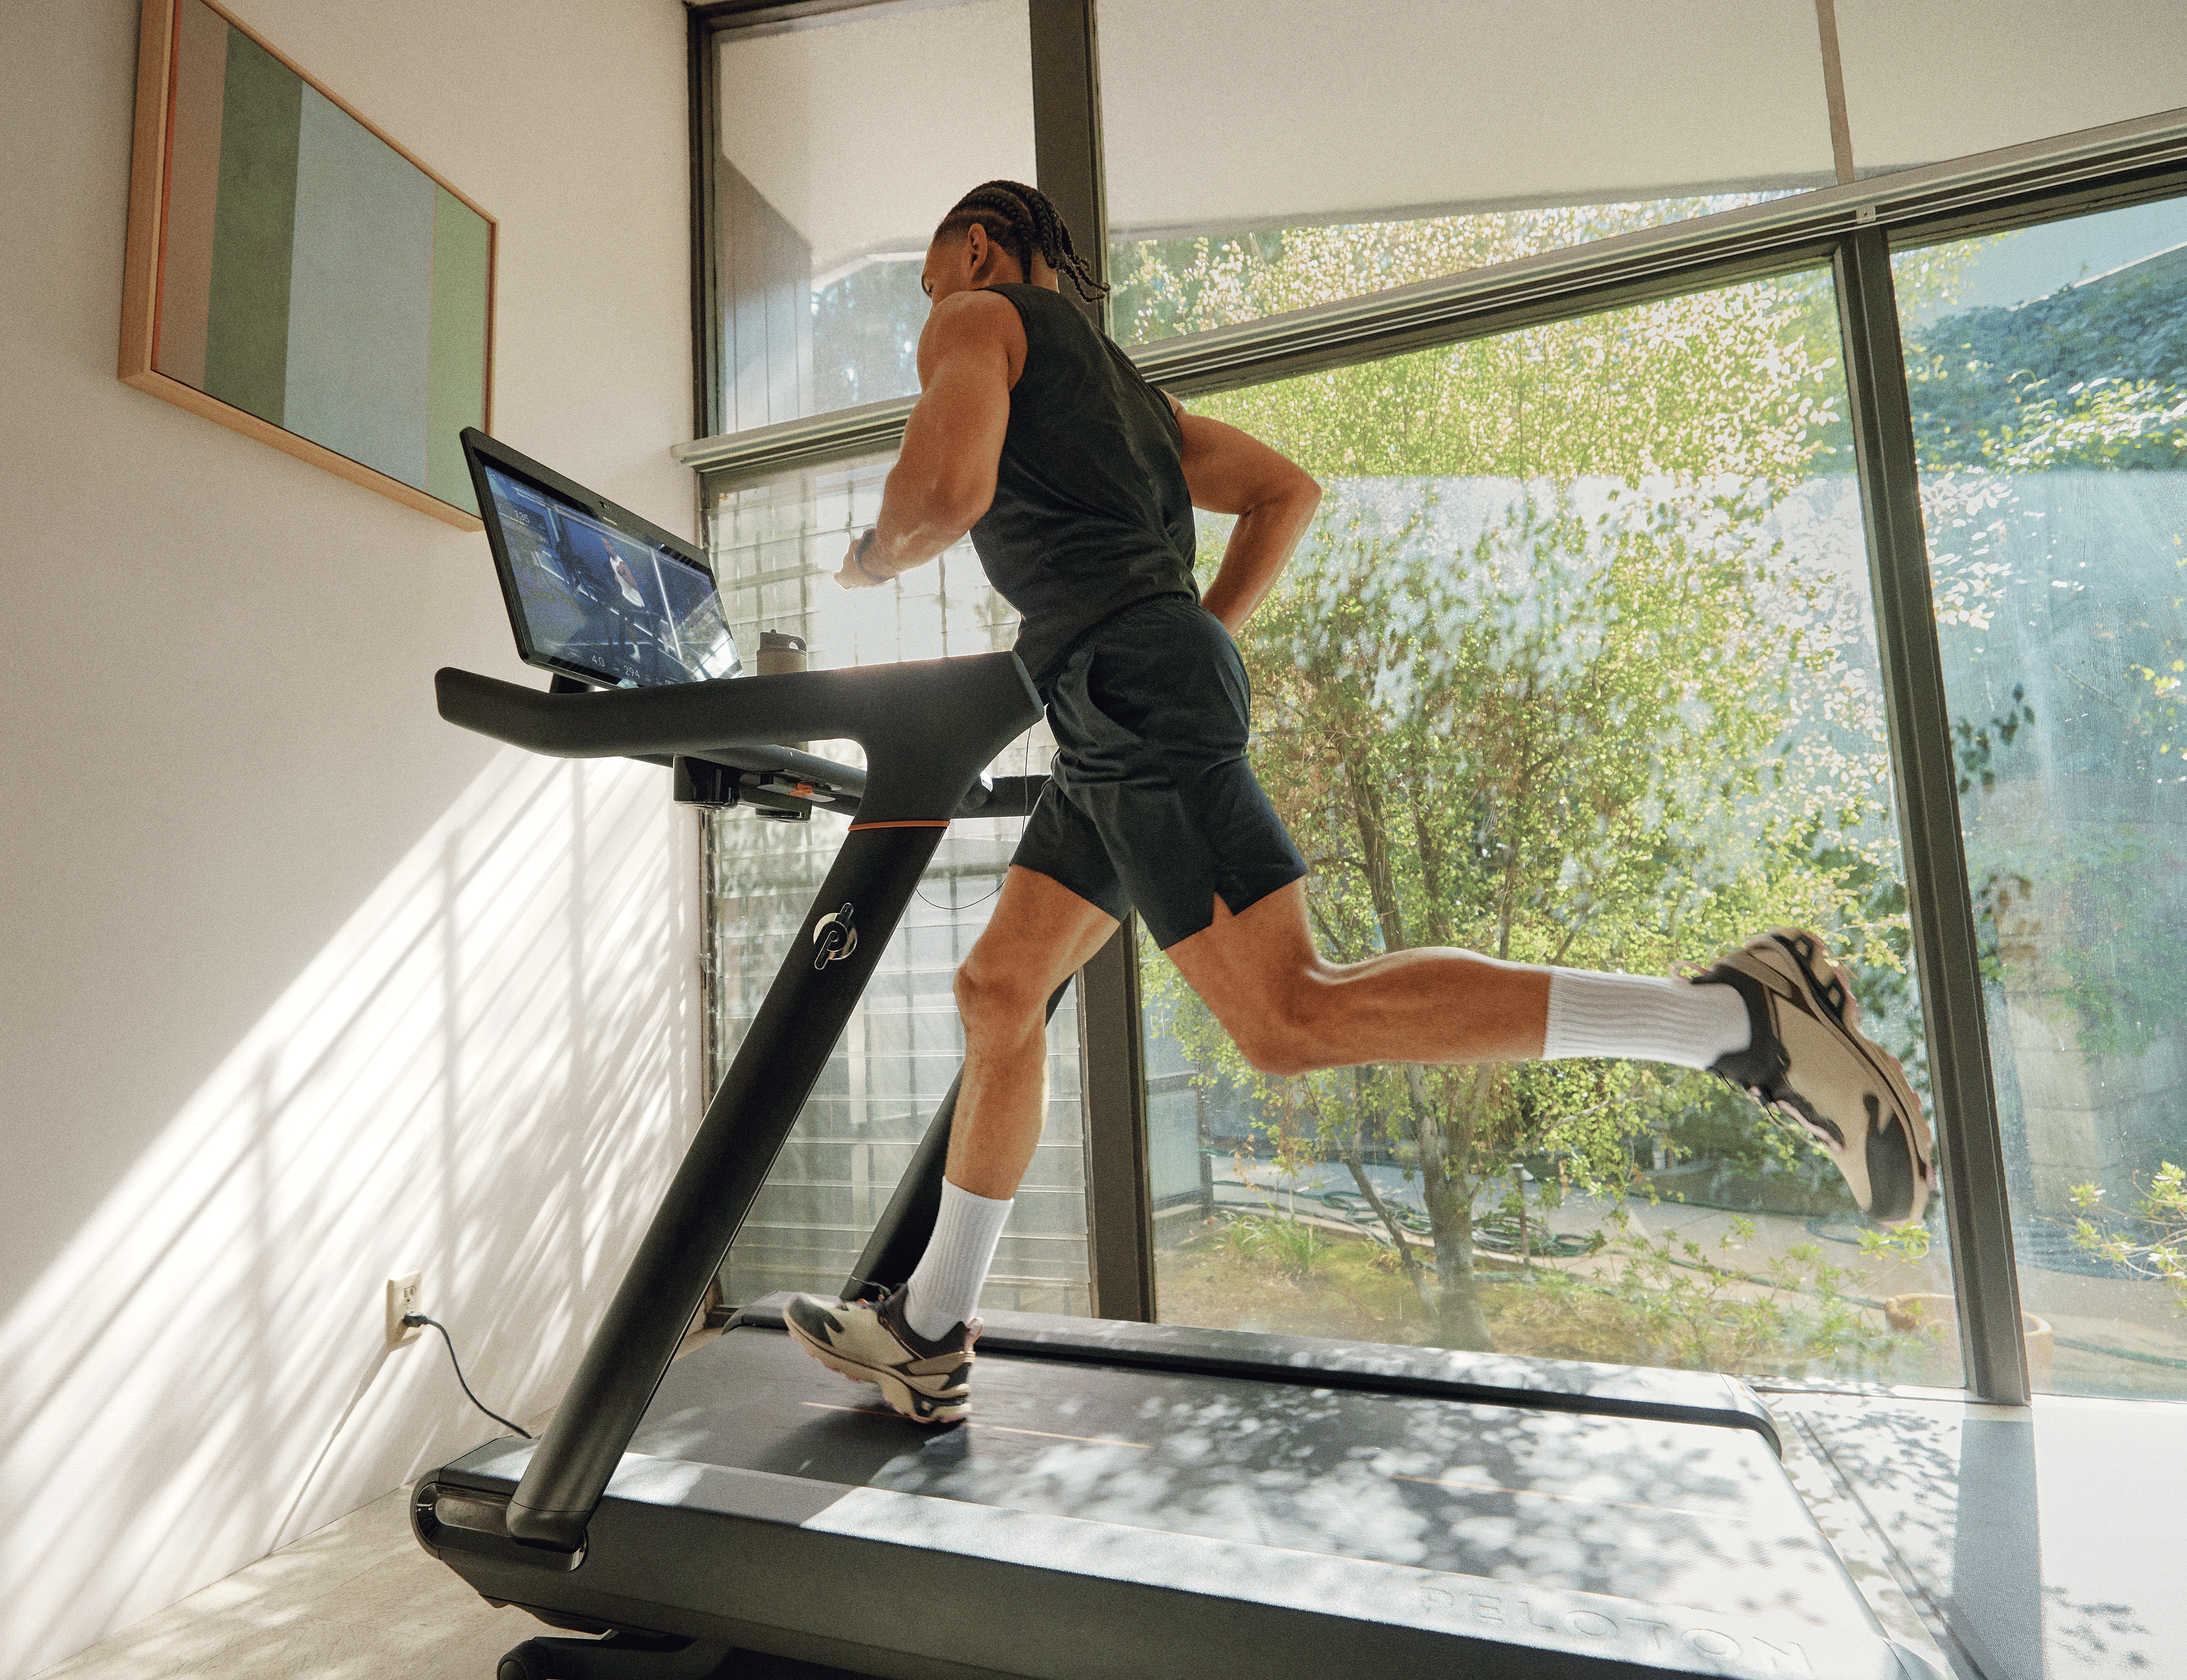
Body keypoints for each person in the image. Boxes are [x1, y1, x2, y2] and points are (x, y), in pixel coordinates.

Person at [784, 181, 1934, 1425]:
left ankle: (1726, 1020)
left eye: (934, 276)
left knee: (1286, 1019)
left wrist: (870, 558)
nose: (933, 305)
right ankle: (931, 1328)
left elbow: (943, 496)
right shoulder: (1124, 394)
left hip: (1122, 689)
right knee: (999, 990)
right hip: (1113, 698)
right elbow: (1288, 491)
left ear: (977, 244)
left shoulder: (976, 320)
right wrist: (1188, 634)